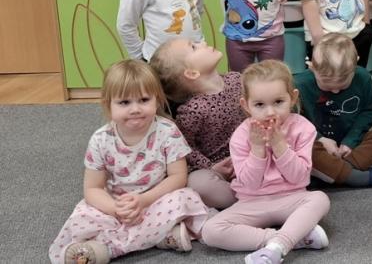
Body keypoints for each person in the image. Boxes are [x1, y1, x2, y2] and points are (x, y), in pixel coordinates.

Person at [49, 60, 208, 264]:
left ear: (157, 100)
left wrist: (144, 201)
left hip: (155, 200)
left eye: (144, 100)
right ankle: (160, 236)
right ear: (108, 105)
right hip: (116, 204)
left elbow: (178, 177)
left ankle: (109, 248)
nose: (135, 109)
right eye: (124, 102)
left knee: (185, 198)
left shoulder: (168, 131)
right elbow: (92, 188)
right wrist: (116, 209)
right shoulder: (100, 139)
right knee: (82, 214)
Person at [201, 60, 330, 263]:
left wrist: (280, 146)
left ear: (293, 97)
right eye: (260, 104)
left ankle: (280, 244)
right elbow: (249, 183)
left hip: (292, 197)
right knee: (210, 231)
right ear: (246, 105)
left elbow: (299, 177)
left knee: (320, 199)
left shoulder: (303, 128)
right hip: (252, 202)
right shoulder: (241, 135)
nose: (270, 112)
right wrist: (257, 149)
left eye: (278, 102)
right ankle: (288, 239)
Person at [149, 38, 244, 209]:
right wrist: (212, 167)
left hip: (252, 154)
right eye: (193, 47)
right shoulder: (192, 110)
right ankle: (244, 201)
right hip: (219, 167)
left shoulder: (237, 80)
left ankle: (260, 192)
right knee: (199, 184)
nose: (202, 43)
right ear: (192, 73)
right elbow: (185, 147)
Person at [295, 33, 372, 187]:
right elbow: (294, 123)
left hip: (350, 146)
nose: (335, 91)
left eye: (342, 85)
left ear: (355, 65)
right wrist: (320, 139)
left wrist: (350, 141)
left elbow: (369, 111)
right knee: (303, 150)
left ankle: (332, 174)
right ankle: (353, 177)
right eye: (327, 85)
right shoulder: (298, 85)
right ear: (312, 68)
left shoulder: (362, 77)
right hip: (316, 145)